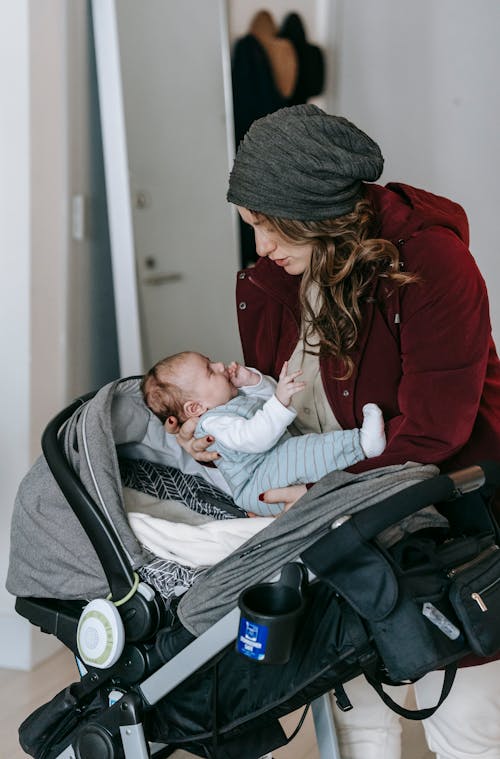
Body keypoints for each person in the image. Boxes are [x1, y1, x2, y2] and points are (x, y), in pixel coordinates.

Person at [169, 104, 500, 758]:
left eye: (266, 227)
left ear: (310, 208)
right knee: (357, 724)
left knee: (463, 720)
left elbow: (434, 430)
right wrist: (221, 433)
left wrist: (325, 489)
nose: (259, 247)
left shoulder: (434, 265)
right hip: (337, 530)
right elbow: (280, 405)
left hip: (451, 514)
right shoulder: (275, 282)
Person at [142, 350, 386, 516]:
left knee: (306, 450)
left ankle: (358, 452)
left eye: (212, 360)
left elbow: (266, 400)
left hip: (270, 464)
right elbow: (255, 437)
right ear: (196, 408)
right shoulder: (214, 423)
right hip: (256, 484)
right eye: (210, 370)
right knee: (301, 451)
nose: (219, 365)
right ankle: (362, 445)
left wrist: (252, 381)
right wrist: (280, 401)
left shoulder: (229, 402)